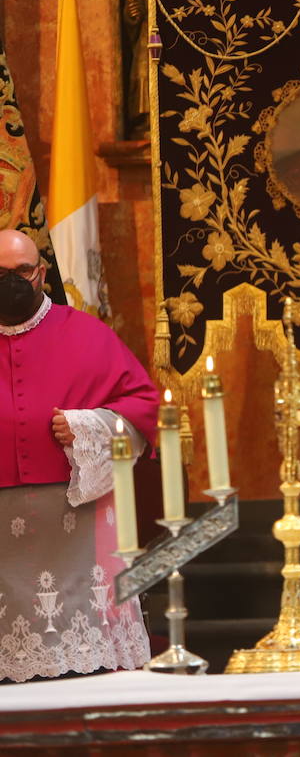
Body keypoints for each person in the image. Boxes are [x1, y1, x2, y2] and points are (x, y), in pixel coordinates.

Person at [0, 229, 159, 681]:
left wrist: (89, 426)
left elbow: (144, 405)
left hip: (75, 523)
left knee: (81, 667)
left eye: (22, 271)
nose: (10, 281)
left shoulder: (86, 332)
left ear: (42, 272)